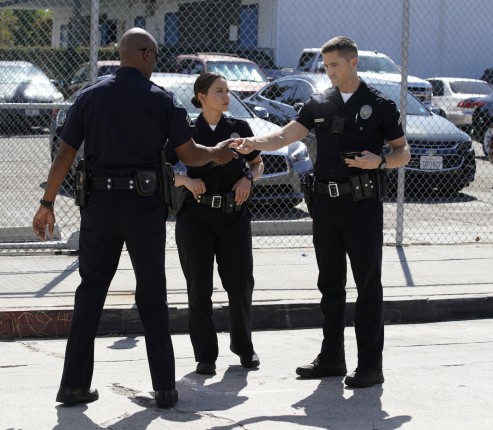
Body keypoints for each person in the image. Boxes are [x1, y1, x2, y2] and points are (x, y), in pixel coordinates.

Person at [32, 28, 236, 408]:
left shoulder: (89, 97)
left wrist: (47, 203)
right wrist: (217, 153)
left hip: (99, 207)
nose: (154, 63)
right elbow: (190, 154)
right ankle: (165, 388)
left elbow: (64, 155)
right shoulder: (160, 99)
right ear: (143, 54)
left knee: (91, 291)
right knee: (152, 292)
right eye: (154, 56)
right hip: (143, 208)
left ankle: (73, 386)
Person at [231, 36, 410, 388]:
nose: (329, 72)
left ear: (353, 62)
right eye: (326, 66)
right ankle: (331, 359)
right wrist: (253, 143)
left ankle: (370, 366)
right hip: (326, 205)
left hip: (361, 206)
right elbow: (285, 136)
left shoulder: (379, 104)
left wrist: (379, 161)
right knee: (329, 284)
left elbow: (402, 151)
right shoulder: (320, 102)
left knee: (367, 285)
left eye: (335, 65)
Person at [175, 72, 264, 375]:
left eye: (227, 91)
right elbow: (162, 167)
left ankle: (244, 347)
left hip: (233, 216)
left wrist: (248, 178)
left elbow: (257, 163)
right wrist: (185, 180)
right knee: (199, 288)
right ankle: (205, 355)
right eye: (219, 91)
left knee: (240, 284)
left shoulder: (239, 129)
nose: (227, 97)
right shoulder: (187, 132)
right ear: (202, 97)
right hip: (195, 218)